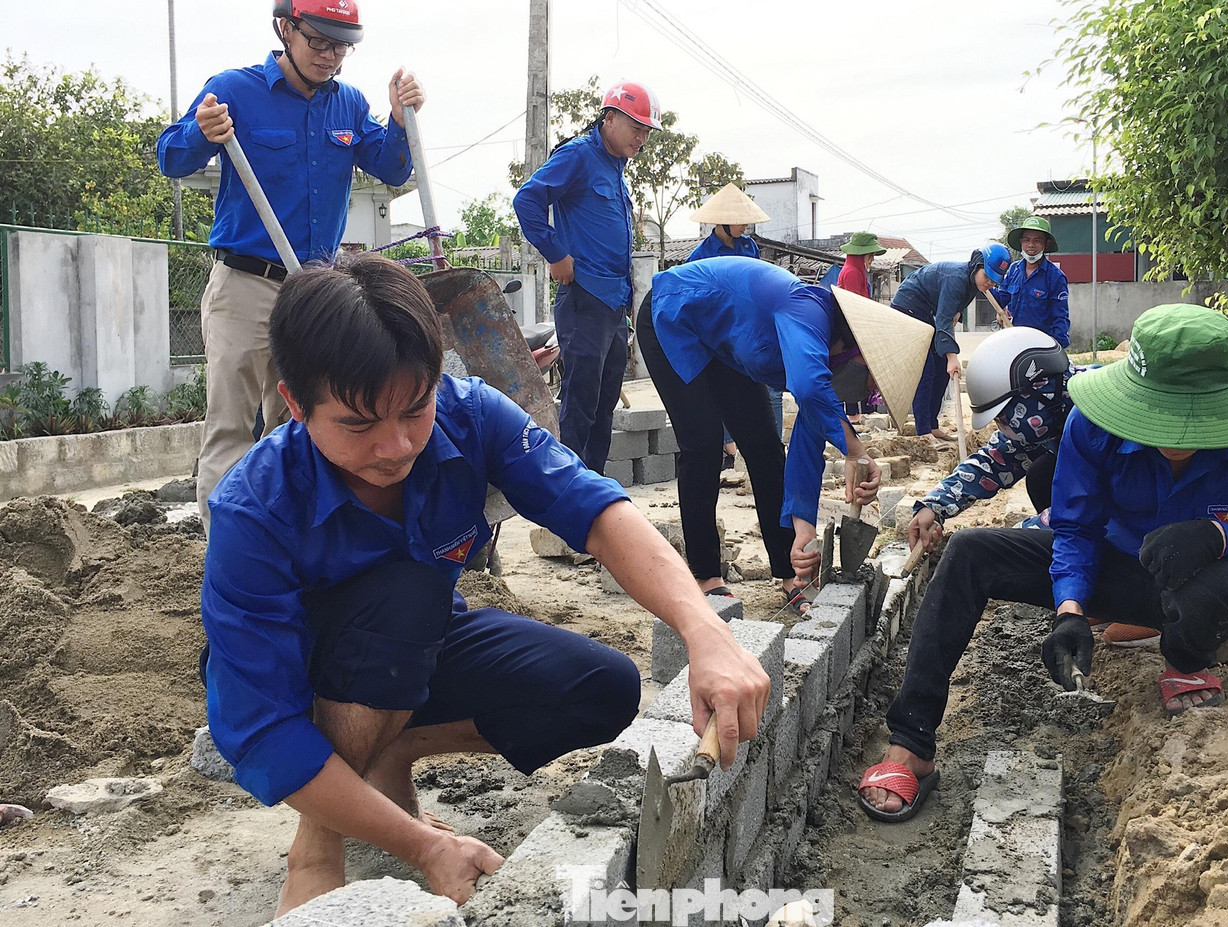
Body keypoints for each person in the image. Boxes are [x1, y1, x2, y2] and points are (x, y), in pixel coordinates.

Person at [200, 254, 771, 914]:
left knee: (603, 688)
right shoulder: (253, 509)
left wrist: (705, 631)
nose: (396, 446)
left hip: (413, 644)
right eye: (358, 424)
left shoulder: (472, 418)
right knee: (406, 594)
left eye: (415, 408)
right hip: (303, 681)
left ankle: (383, 751)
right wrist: (423, 845)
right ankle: (318, 842)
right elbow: (264, 729)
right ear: (296, 404)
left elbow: (598, 512)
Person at [857, 304, 1228, 823]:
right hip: (1121, 567)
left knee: (1211, 594)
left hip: (1211, 584)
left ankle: (1186, 663)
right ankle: (910, 742)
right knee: (970, 552)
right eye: (1158, 416)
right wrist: (1070, 606)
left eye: (1194, 423)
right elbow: (1074, 528)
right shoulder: (1092, 420)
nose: (1175, 438)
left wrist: (1218, 536)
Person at [158, 0, 425, 528]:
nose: (330, 56)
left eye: (341, 46)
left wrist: (399, 121)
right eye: (320, 42)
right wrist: (200, 132)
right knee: (231, 425)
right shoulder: (234, 91)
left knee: (309, 423)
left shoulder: (347, 104)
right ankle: (227, 557)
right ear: (285, 27)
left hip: (316, 292)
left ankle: (303, 545)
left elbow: (393, 169)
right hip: (246, 285)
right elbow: (170, 156)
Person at [637, 256, 932, 614]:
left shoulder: (829, 355)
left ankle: (788, 568)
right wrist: (855, 450)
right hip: (673, 314)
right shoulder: (809, 310)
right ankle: (706, 576)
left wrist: (802, 527)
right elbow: (809, 389)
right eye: (872, 383)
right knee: (703, 445)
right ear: (863, 355)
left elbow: (808, 441)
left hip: (723, 343)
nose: (867, 393)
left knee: (764, 447)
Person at [513, 81, 660, 474]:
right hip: (584, 300)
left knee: (604, 403)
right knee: (579, 404)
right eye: (636, 128)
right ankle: (568, 494)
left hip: (613, 306)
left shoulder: (617, 169)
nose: (641, 138)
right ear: (609, 118)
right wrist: (556, 254)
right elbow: (526, 200)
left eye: (647, 131)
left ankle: (593, 488)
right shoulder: (579, 155)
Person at [908, 326, 1086, 550]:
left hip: (1130, 543)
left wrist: (998, 547)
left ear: (1041, 391)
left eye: (1003, 416)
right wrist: (934, 505)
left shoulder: (1100, 423)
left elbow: (1082, 513)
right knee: (1042, 473)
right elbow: (994, 461)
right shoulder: (1052, 414)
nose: (1000, 426)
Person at [682, 183, 776, 465]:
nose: (745, 225)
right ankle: (726, 448)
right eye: (740, 220)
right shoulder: (700, 256)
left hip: (750, 330)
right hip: (718, 333)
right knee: (720, 393)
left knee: (759, 391)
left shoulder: (750, 247)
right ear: (722, 221)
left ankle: (762, 448)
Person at [891, 244, 1012, 440]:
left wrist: (957, 313)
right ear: (976, 266)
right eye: (987, 276)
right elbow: (944, 320)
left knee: (940, 367)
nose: (989, 283)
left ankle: (932, 425)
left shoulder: (975, 283)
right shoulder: (956, 278)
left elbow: (952, 312)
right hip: (908, 307)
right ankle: (923, 431)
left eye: (994, 280)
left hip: (926, 310)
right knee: (926, 369)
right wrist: (952, 357)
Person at [835, 232, 887, 423]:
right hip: (852, 329)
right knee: (854, 367)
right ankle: (855, 412)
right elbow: (853, 305)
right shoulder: (851, 273)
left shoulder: (856, 271)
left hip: (857, 327)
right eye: (870, 255)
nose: (872, 259)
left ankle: (862, 409)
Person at [995, 216, 1071, 346]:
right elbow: (1001, 298)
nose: (1031, 245)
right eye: (1026, 240)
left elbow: (1060, 317)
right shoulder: (1014, 269)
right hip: (1014, 340)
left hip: (1041, 343)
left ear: (1046, 244)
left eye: (1037, 240)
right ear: (1021, 242)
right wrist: (984, 280)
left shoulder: (1055, 277)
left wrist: (1057, 348)